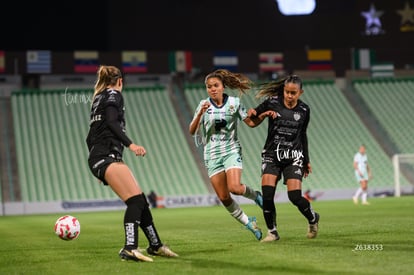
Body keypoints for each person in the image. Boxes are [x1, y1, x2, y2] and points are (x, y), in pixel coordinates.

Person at [86, 65, 178, 262]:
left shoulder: (98, 98)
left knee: (141, 201)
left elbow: (89, 137)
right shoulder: (114, 94)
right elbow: (112, 122)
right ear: (120, 81)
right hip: (106, 156)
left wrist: (99, 168)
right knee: (135, 202)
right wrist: (131, 144)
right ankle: (130, 248)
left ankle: (156, 245)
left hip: (100, 157)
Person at [188, 69, 264, 241]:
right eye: (209, 87)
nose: (212, 89)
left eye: (215, 86)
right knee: (224, 197)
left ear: (223, 87)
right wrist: (200, 113)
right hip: (212, 154)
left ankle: (256, 196)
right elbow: (192, 131)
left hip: (231, 149)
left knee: (235, 187)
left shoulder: (234, 103)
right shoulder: (203, 105)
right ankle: (248, 223)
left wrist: (264, 116)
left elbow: (251, 123)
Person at [247, 74, 320, 242]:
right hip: (272, 154)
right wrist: (253, 113)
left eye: (293, 93)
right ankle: (272, 232)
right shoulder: (272, 102)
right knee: (267, 195)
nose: (289, 96)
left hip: (293, 156)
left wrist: (306, 160)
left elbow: (303, 135)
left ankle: (313, 218)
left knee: (294, 196)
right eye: (287, 92)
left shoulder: (304, 110)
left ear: (300, 93)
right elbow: (254, 115)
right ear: (284, 90)